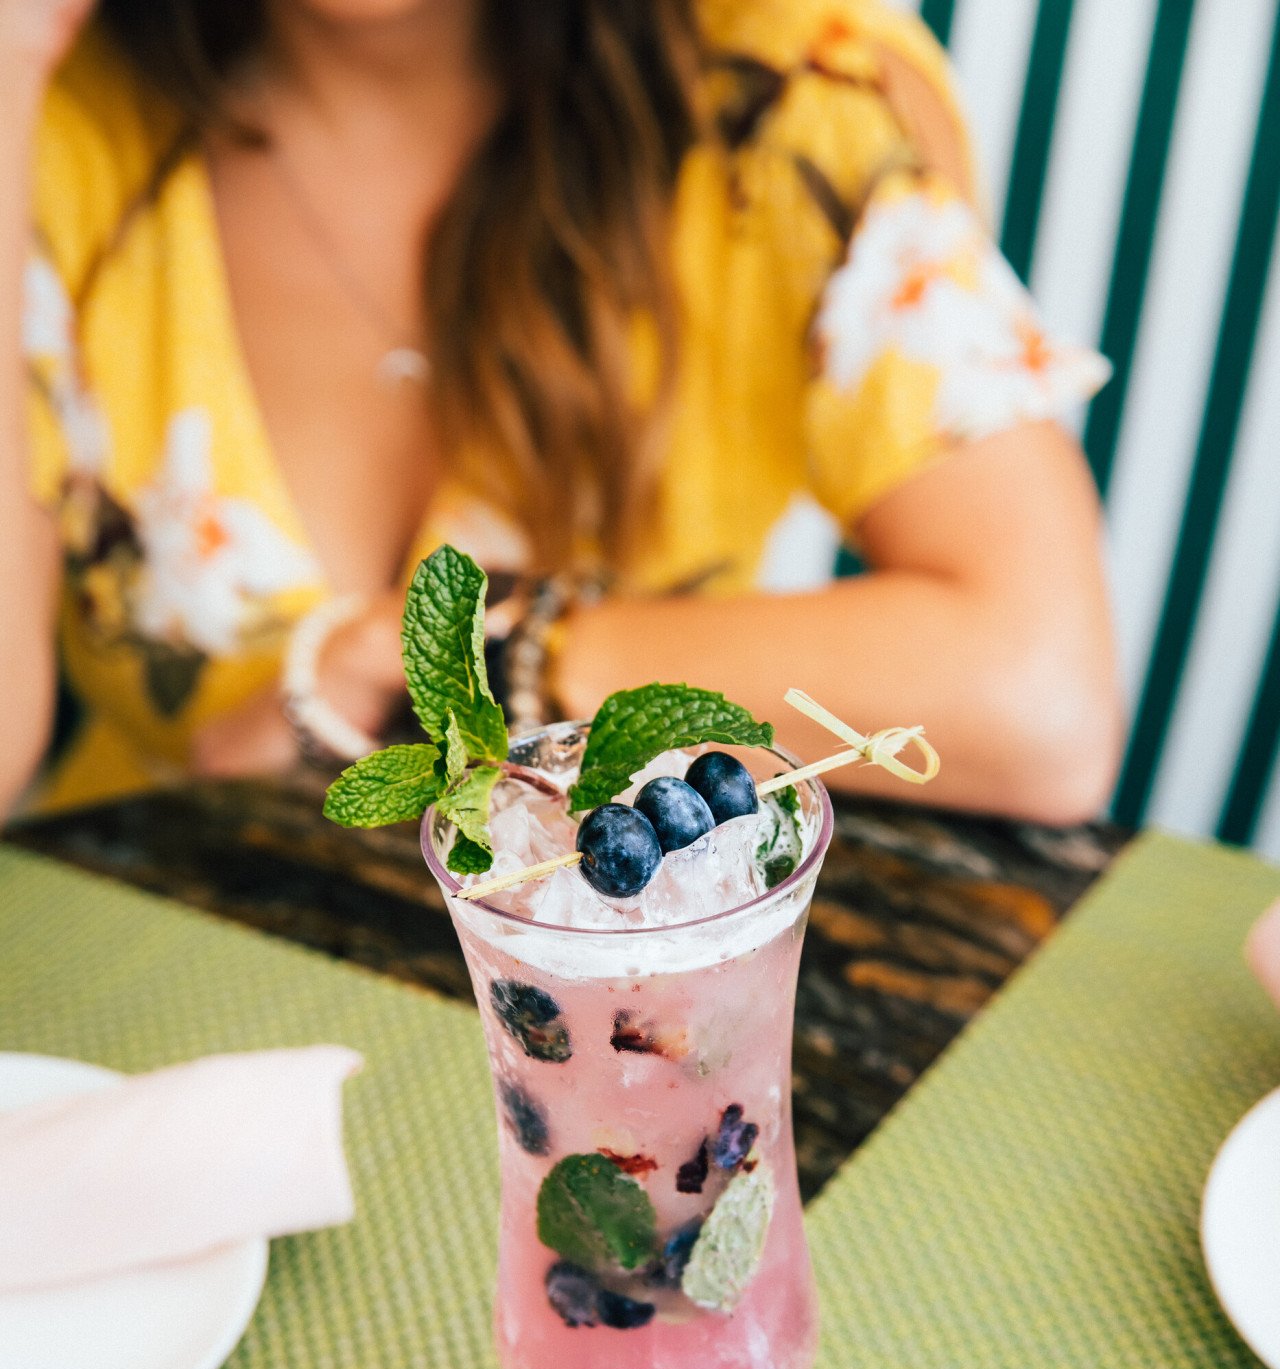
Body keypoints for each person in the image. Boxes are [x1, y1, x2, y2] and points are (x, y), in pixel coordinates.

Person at [0, 0, 1121, 823]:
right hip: (143, 982)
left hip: (614, 993)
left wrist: (476, 664)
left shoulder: (777, 102)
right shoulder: (52, 123)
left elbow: (1041, 699)